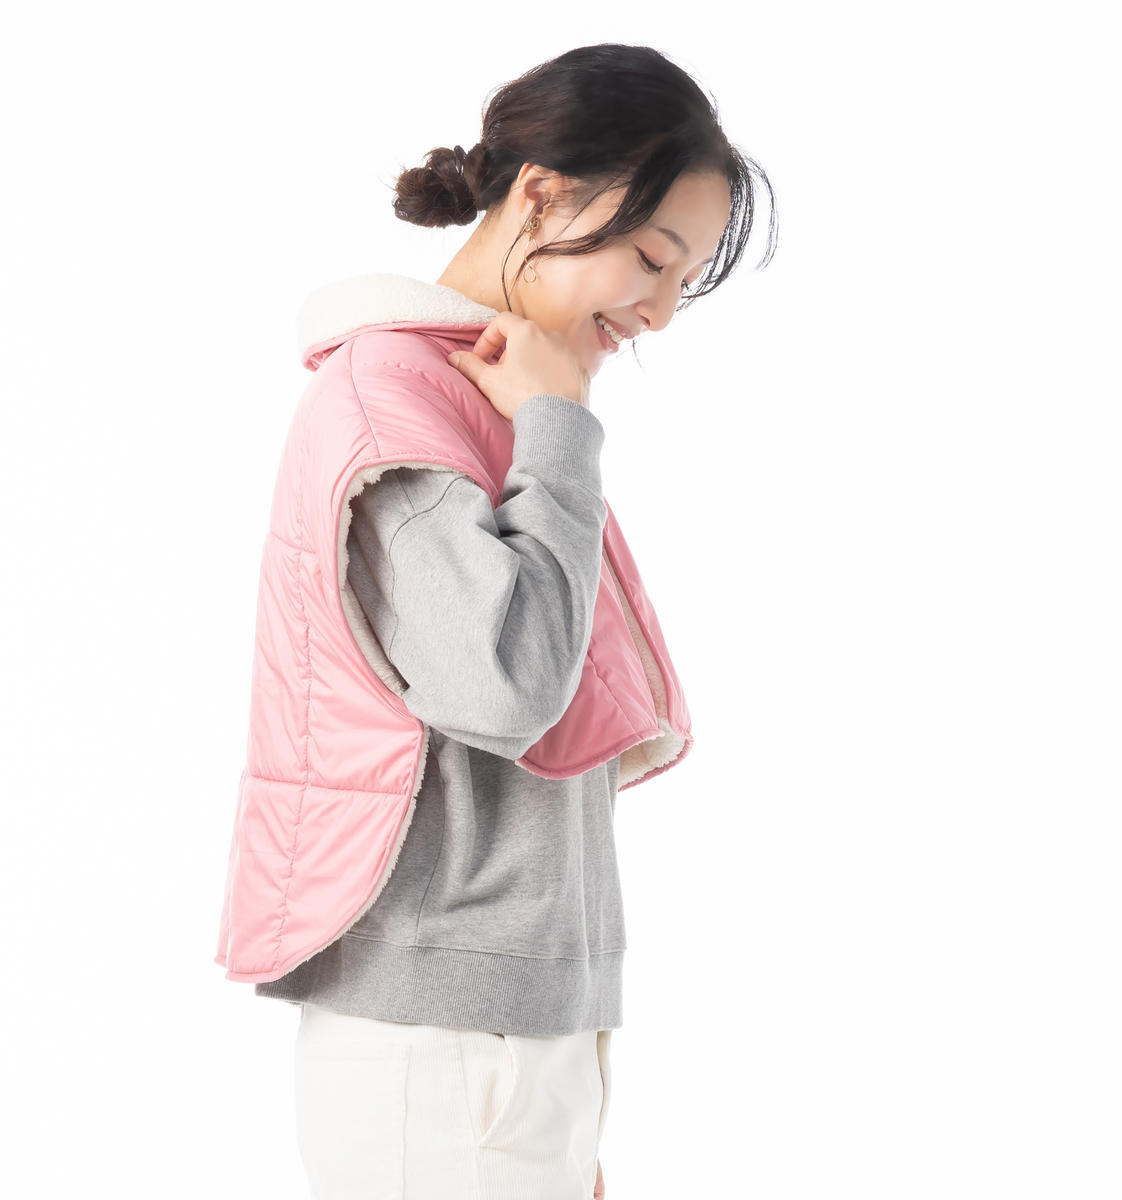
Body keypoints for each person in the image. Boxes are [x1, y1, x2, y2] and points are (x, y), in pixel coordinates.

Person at [215, 42, 776, 1200]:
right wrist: (562, 431)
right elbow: (506, 687)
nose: (660, 312)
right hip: (446, 1051)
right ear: (542, 195)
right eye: (650, 258)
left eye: (684, 279)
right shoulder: (395, 403)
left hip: (504, 1036)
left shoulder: (486, 396)